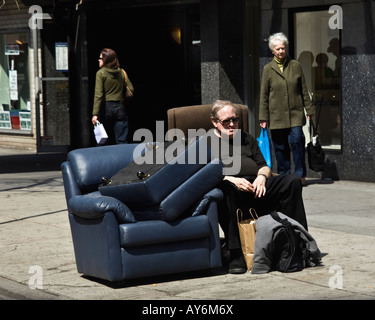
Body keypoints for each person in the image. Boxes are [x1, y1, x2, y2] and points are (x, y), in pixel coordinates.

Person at [209, 100, 308, 274]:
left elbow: (263, 165)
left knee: (292, 182)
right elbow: (203, 174)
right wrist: (230, 179)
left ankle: (297, 244)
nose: (232, 124)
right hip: (229, 187)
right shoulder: (206, 143)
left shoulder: (247, 138)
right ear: (214, 122)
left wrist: (262, 177)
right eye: (226, 121)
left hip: (256, 186)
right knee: (225, 189)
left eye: (235, 119)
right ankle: (236, 253)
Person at [259, 32, 315, 185]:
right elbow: (264, 94)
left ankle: (299, 175)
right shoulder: (268, 69)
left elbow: (303, 89)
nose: (281, 51)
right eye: (277, 49)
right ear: (272, 51)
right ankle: (284, 176)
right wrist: (263, 117)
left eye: (283, 48)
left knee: (297, 141)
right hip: (276, 116)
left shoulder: (295, 66)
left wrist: (309, 110)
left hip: (295, 114)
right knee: (280, 147)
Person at [91, 48, 134, 144]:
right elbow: (131, 89)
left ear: (106, 60)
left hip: (105, 107)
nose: (99, 60)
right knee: (122, 140)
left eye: (101, 58)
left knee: (102, 140)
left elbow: (98, 95)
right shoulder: (122, 72)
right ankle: (124, 158)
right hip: (120, 107)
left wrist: (95, 114)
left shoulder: (100, 73)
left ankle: (103, 159)